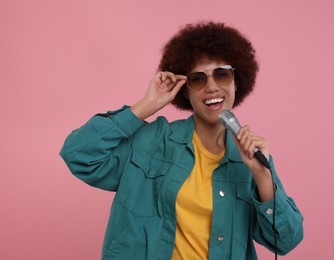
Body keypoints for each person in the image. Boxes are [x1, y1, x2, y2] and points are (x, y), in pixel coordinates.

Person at [60, 21, 303, 260]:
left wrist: (262, 176)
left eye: (222, 74)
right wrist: (146, 106)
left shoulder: (251, 158)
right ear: (185, 90)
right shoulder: (152, 140)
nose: (211, 87)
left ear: (236, 82)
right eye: (198, 79)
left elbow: (285, 241)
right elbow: (78, 153)